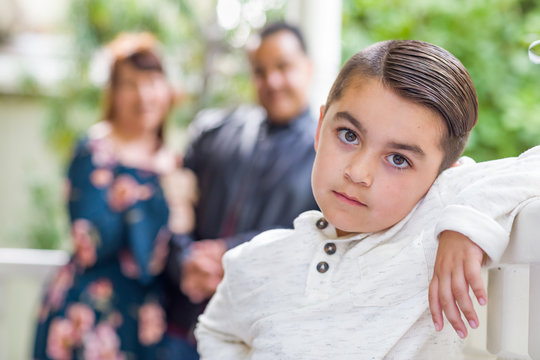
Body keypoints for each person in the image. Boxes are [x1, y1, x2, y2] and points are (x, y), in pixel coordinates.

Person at [194, 40, 540, 359]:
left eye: (398, 159)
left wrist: (466, 220)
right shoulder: (256, 261)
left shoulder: (433, 223)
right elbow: (214, 331)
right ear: (319, 128)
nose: (358, 173)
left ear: (440, 176)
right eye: (348, 135)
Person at [33, 32, 198, 360]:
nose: (143, 95)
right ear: (113, 93)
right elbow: (90, 242)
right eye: (129, 84)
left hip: (147, 321)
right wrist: (158, 198)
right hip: (90, 314)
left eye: (152, 81)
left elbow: (177, 245)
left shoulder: (174, 162)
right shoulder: (94, 151)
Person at [164, 22, 319, 345]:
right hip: (185, 327)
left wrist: (230, 258)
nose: (272, 81)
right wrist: (184, 259)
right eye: (260, 71)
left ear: (307, 68)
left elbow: (322, 235)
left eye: (283, 66)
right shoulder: (212, 132)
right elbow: (174, 206)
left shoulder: (331, 152)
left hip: (263, 335)